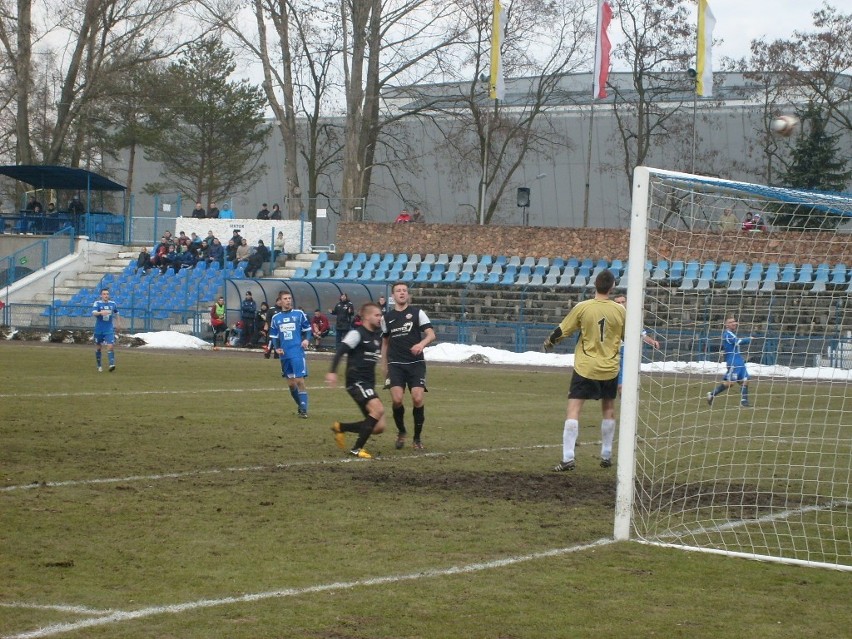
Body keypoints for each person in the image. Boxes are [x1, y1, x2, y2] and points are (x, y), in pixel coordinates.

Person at [542, 269, 625, 471]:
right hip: (610, 368)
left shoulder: (583, 307)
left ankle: (568, 457)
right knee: (608, 408)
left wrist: (550, 342)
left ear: (594, 285)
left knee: (574, 409)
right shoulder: (621, 311)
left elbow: (564, 329)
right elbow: (628, 335)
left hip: (585, 367)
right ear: (612, 286)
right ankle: (606, 455)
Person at [326, 302, 386, 459]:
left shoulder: (376, 335)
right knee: (378, 410)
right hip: (356, 381)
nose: (380, 318)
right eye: (377, 315)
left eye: (380, 315)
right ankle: (357, 449)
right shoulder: (357, 334)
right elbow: (340, 352)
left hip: (368, 384)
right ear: (366, 316)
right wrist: (332, 372)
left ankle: (340, 427)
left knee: (379, 426)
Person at [381, 281, 436, 450]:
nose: (402, 293)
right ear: (393, 296)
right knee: (397, 400)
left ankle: (417, 438)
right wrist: (384, 365)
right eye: (398, 291)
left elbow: (431, 334)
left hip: (415, 363)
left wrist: (421, 344)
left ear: (408, 294)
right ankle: (401, 431)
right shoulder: (387, 318)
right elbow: (385, 342)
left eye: (404, 290)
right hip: (396, 364)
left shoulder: (417, 313)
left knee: (417, 398)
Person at [268, 291, 312, 418]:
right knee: (291, 384)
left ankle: (304, 410)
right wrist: (277, 348)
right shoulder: (276, 318)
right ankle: (301, 405)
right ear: (280, 301)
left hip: (297, 352)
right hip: (285, 354)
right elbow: (274, 336)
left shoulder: (299, 314)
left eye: (289, 298)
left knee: (299, 380)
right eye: (285, 299)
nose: (288, 300)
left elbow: (307, 330)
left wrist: (306, 339)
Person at [613, 293, 660, 393]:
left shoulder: (633, 317)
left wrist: (652, 342)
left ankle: (624, 401)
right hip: (611, 350)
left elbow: (642, 334)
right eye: (618, 302)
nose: (620, 304)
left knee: (622, 382)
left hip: (626, 350)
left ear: (627, 303)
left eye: (622, 302)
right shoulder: (610, 316)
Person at [707, 315, 752, 407]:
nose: (733, 323)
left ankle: (744, 402)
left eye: (734, 321)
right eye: (731, 322)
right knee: (730, 383)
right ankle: (712, 394)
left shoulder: (731, 334)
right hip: (733, 361)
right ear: (726, 325)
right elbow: (738, 342)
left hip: (739, 360)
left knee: (745, 380)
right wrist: (749, 339)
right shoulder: (727, 334)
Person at [92, 288, 120, 372]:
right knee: (98, 347)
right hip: (99, 328)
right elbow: (94, 313)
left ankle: (111, 364)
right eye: (104, 294)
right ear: (101, 295)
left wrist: (118, 323)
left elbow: (117, 312)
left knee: (110, 346)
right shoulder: (97, 303)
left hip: (109, 328)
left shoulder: (113, 304)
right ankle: (99, 365)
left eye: (107, 294)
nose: (106, 295)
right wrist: (100, 313)